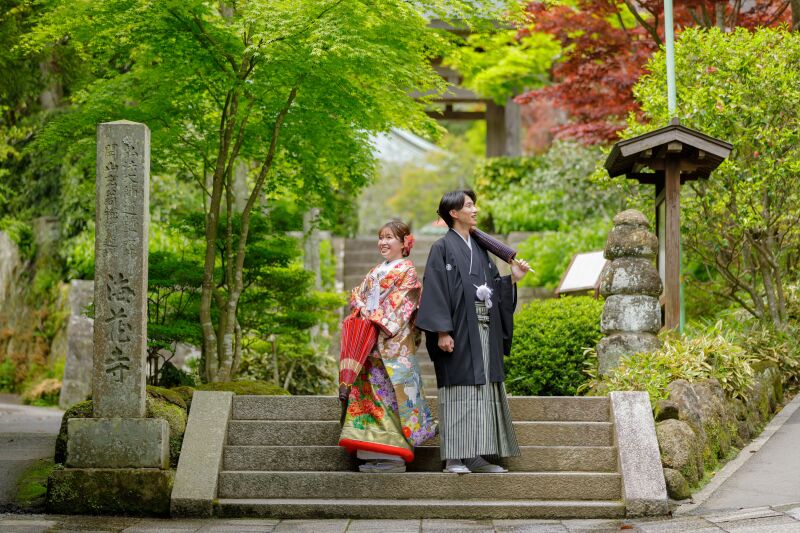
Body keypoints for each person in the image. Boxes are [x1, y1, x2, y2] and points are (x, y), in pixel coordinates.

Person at [416, 189, 531, 474]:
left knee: (483, 390)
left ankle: (477, 456)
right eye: (469, 206)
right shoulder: (441, 248)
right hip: (457, 330)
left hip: (484, 328)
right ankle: (455, 457)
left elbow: (492, 284)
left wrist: (512, 279)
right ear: (454, 213)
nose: (475, 209)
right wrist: (442, 331)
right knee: (458, 389)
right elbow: (436, 289)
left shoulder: (480, 249)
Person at [339, 220, 436, 473]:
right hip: (369, 348)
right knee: (369, 399)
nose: (383, 242)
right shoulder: (375, 271)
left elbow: (404, 302)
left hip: (391, 346)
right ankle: (371, 454)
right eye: (381, 237)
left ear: (405, 243)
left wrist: (376, 320)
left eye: (389, 237)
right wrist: (360, 308)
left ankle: (393, 457)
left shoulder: (408, 273)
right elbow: (357, 294)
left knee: (391, 399)